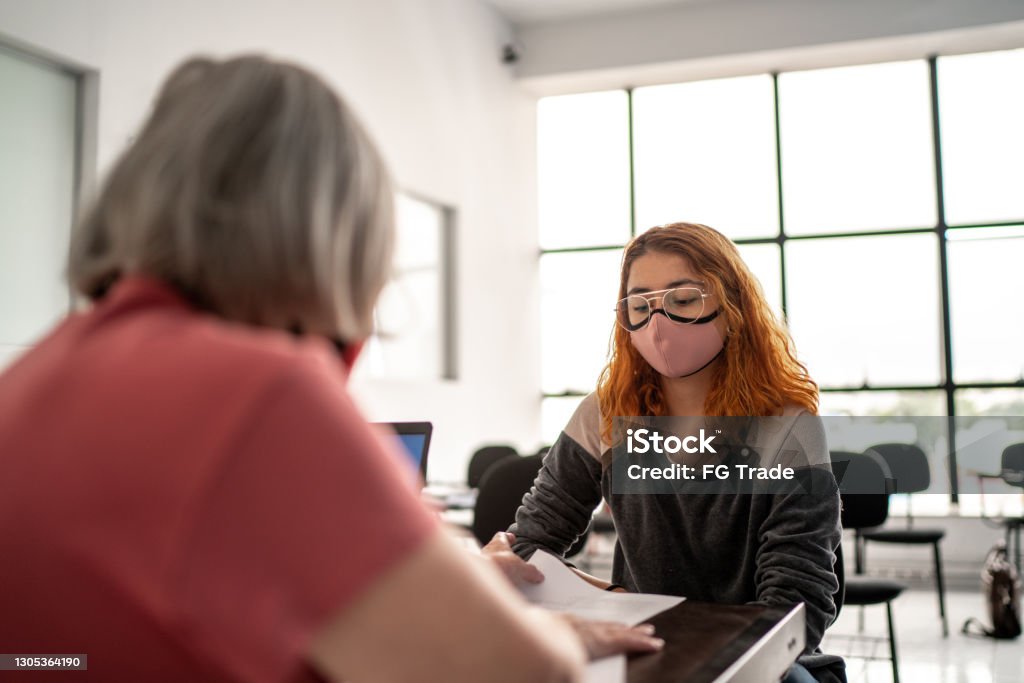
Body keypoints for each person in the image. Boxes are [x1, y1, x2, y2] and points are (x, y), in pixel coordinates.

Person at [0, 55, 662, 682]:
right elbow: (512, 670)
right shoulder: (260, 393)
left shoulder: (32, 379)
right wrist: (551, 632)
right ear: (336, 240)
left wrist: (443, 584)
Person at [508, 223, 845, 683]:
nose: (658, 324)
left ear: (732, 306)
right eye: (640, 306)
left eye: (683, 300)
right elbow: (529, 544)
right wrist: (619, 598)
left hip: (762, 659)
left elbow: (795, 604)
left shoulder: (787, 426)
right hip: (640, 642)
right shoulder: (604, 415)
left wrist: (657, 616)